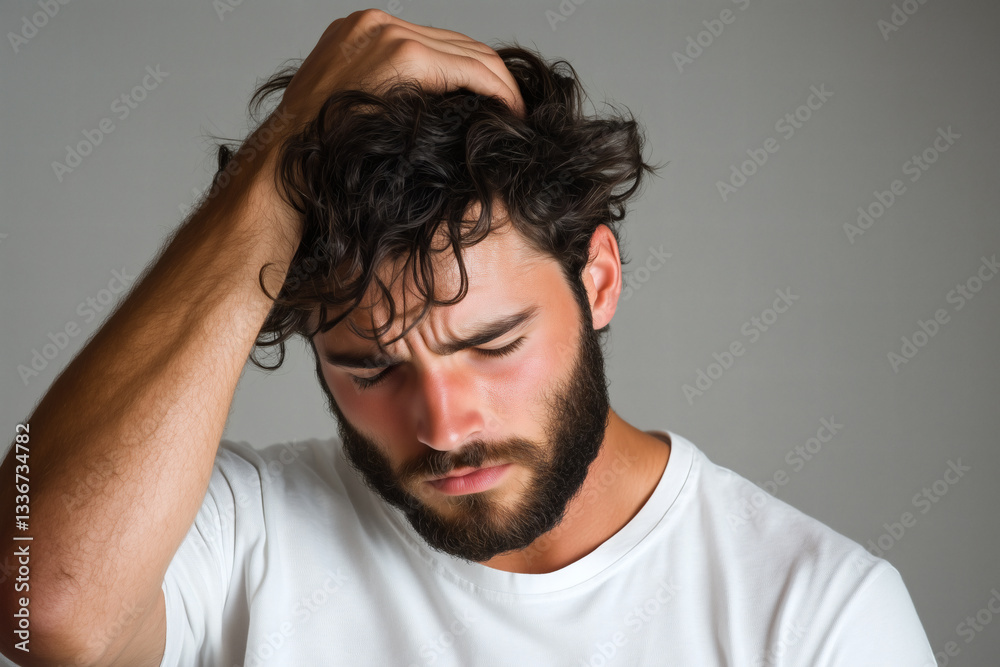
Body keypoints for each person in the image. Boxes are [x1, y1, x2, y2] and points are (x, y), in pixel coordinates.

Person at [0, 9, 935, 666]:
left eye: (491, 342)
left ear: (598, 279)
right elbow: (42, 600)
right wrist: (277, 163)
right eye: (369, 366)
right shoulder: (251, 533)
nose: (443, 425)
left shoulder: (819, 616)